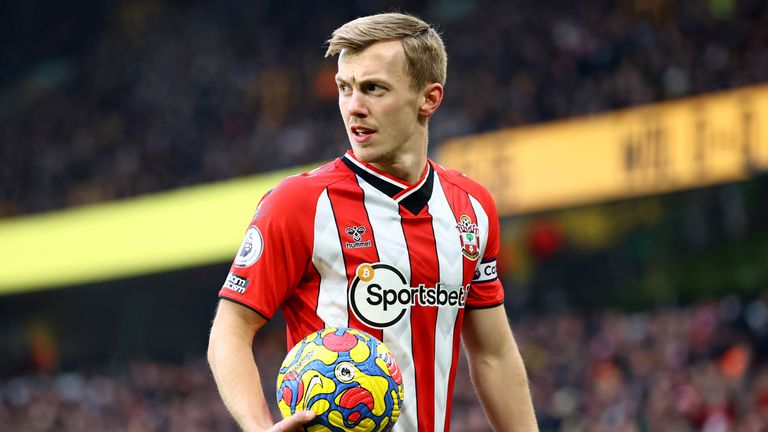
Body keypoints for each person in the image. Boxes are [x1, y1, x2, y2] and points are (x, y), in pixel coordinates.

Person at [207, 12, 538, 432]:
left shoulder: (472, 208)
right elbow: (231, 329)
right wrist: (258, 429)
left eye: (373, 89)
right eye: (344, 88)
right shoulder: (299, 203)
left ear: (429, 98)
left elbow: (493, 353)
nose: (353, 107)